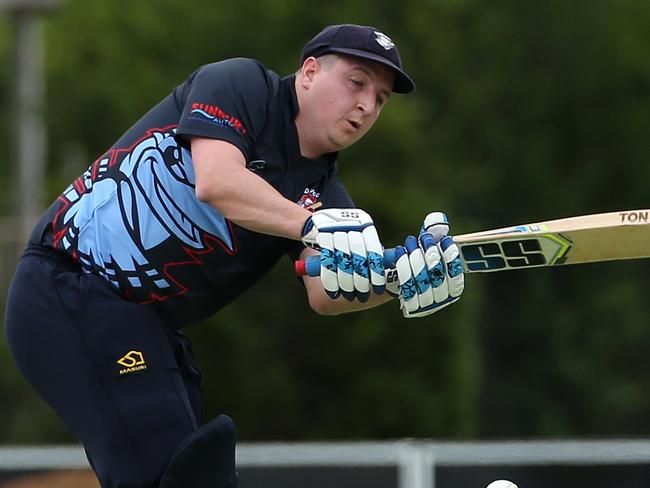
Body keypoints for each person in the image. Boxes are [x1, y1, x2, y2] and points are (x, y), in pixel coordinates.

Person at [4, 24, 464, 487]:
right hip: (66, 287)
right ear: (308, 73)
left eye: (381, 99)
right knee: (174, 472)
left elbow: (327, 291)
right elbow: (218, 180)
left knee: (194, 473)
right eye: (357, 82)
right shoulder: (242, 86)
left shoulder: (323, 194)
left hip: (143, 323)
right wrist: (311, 226)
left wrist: (398, 280)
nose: (366, 105)